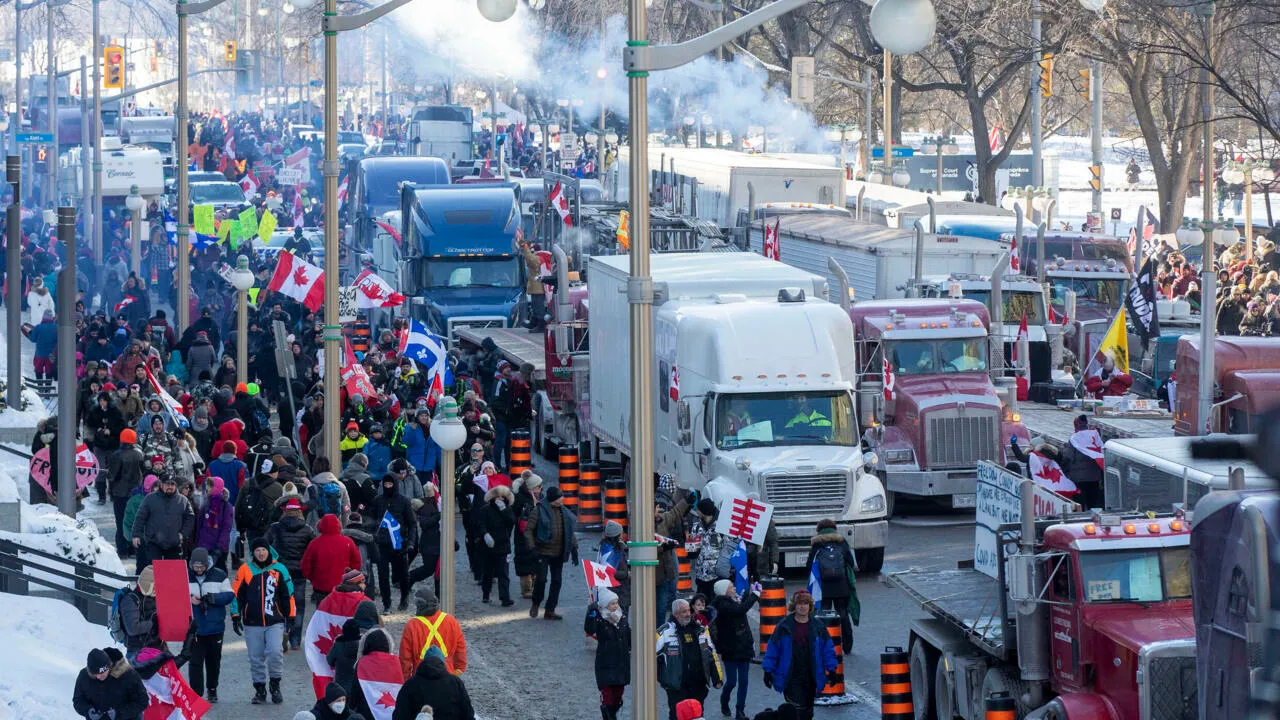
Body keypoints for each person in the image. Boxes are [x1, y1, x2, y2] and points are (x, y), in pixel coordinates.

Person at [232, 538, 297, 704]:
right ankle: (259, 690)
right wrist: (235, 615)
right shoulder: (245, 569)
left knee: (275, 652)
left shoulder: (279, 569)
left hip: (274, 621)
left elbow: (288, 594)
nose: (261, 553)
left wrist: (290, 616)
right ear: (253, 553)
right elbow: (236, 594)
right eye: (257, 550)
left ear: (269, 551)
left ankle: (275, 686)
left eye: (263, 550)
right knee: (255, 657)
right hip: (252, 622)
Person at [761, 591, 838, 720]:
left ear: (810, 606)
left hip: (811, 675)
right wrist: (767, 670)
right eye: (799, 604)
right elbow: (773, 649)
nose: (802, 607)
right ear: (794, 606)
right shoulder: (784, 626)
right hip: (791, 675)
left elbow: (827, 650)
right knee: (797, 711)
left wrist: (832, 669)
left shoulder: (818, 627)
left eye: (805, 603)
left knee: (808, 710)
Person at [657, 598, 724, 720]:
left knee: (697, 715)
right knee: (677, 716)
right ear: (675, 614)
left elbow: (711, 654)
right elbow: (651, 657)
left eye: (688, 610)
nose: (688, 614)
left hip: (698, 684)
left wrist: (717, 678)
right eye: (684, 612)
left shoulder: (701, 629)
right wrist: (661, 679)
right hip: (676, 686)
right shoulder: (664, 632)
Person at [267, 497, 319, 650]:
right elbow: (313, 551)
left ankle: (282, 630)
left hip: (280, 571)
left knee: (280, 603)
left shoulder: (275, 527)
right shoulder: (307, 529)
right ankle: (295, 640)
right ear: (299, 513)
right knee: (298, 606)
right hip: (299, 572)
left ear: (285, 512)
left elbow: (265, 545)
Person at [804, 520, 859, 656]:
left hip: (824, 588)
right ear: (834, 529)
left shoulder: (817, 544)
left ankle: (826, 645)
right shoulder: (842, 542)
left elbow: (809, 565)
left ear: (819, 530)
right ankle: (847, 646)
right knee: (843, 614)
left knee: (823, 615)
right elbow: (851, 563)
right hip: (842, 586)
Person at [524, 485, 579, 620]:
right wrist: (532, 548)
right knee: (541, 580)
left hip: (559, 552)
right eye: (560, 498)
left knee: (557, 581)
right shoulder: (539, 510)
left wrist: (574, 547)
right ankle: (536, 603)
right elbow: (528, 530)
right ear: (553, 499)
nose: (562, 500)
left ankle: (550, 609)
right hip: (542, 552)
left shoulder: (564, 512)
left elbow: (569, 531)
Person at [187, 547, 234, 703]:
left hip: (215, 627)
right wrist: (189, 598)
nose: (198, 570)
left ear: (207, 564)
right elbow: (176, 593)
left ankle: (212, 689)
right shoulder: (185, 576)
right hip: (193, 629)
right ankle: (195, 693)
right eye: (196, 567)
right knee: (195, 663)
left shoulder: (219, 575)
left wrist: (211, 598)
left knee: (213, 661)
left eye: (201, 567)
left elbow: (229, 595)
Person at [369, 473, 419, 613]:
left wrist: (410, 542)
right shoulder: (378, 501)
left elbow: (412, 524)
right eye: (386, 484)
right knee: (383, 576)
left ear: (395, 485)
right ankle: (387, 603)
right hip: (382, 544)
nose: (388, 487)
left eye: (390, 484)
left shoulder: (404, 501)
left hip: (399, 544)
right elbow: (371, 521)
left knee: (403, 575)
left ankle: (404, 598)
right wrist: (373, 535)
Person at [711, 579, 759, 720]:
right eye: (731, 587)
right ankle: (724, 701)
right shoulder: (722, 604)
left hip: (743, 645)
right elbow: (740, 610)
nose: (734, 588)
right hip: (730, 648)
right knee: (732, 681)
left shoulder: (732, 600)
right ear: (724, 590)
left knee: (744, 681)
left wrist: (747, 594)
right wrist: (754, 596)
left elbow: (740, 606)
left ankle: (740, 710)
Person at [399, 585, 467, 679]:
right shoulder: (451, 621)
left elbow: (405, 657)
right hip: (447, 674)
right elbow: (460, 649)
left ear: (419, 605)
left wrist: (406, 679)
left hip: (421, 676)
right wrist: (458, 669)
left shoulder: (412, 625)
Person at [583, 587, 630, 720]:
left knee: (618, 695)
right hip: (606, 661)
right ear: (605, 605)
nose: (615, 606)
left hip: (621, 661)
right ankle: (608, 717)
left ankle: (612, 713)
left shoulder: (622, 616)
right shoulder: (599, 618)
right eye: (612, 603)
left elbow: (628, 634)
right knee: (608, 695)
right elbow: (590, 630)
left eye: (616, 603)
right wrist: (590, 612)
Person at [393, 646, 476, 720]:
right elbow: (468, 714)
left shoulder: (410, 685)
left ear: (424, 662)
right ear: (442, 663)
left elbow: (399, 716)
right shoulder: (456, 683)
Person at [131, 475, 195, 570]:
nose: (170, 487)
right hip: (154, 542)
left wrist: (183, 534)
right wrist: (136, 534)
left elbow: (190, 517)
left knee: (172, 572)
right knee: (153, 571)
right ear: (161, 485)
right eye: (167, 484)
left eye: (172, 484)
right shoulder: (150, 498)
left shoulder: (183, 500)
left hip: (174, 543)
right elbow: (140, 517)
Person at [302, 513, 365, 604]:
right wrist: (350, 578)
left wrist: (314, 579)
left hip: (321, 586)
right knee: (342, 613)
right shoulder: (348, 541)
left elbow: (306, 566)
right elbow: (357, 563)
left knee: (323, 614)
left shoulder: (315, 543)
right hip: (343, 586)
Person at [72, 648, 149, 720]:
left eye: (102, 673)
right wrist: (88, 711)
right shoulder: (84, 676)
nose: (98, 676)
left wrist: (118, 713)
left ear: (109, 666)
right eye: (95, 674)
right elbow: (78, 700)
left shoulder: (127, 675)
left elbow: (142, 701)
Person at [107, 428, 145, 556]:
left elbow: (112, 476)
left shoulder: (117, 455)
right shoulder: (140, 453)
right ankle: (133, 548)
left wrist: (110, 490)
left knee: (121, 521)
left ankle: (122, 550)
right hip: (136, 493)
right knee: (134, 520)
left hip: (120, 493)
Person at [479, 484, 516, 606]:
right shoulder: (485, 509)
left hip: (503, 546)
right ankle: (486, 594)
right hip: (488, 547)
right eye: (498, 497)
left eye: (502, 497)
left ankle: (505, 598)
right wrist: (485, 534)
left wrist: (504, 510)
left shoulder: (508, 510)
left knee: (503, 573)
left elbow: (511, 522)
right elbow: (480, 524)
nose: (500, 499)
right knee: (487, 572)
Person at [1060, 414, 1105, 509]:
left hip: (1078, 479)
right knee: (1093, 503)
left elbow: (1067, 457)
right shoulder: (1095, 436)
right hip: (1094, 478)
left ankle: (1081, 519)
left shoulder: (1074, 439)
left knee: (1079, 504)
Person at [691, 499, 734, 599]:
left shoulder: (722, 527)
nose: (696, 511)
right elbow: (692, 547)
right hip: (700, 575)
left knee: (715, 606)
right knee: (701, 607)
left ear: (704, 511)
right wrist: (691, 551)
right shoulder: (696, 527)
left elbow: (730, 547)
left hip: (716, 575)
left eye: (699, 509)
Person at [511, 471, 542, 599]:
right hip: (523, 535)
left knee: (535, 561)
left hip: (536, 534)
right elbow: (513, 515)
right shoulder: (519, 498)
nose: (541, 489)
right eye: (539, 486)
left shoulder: (539, 497)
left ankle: (534, 587)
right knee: (524, 560)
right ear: (532, 487)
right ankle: (526, 589)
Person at [119, 566, 161, 661]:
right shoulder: (130, 600)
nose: (156, 589)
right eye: (154, 586)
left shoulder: (152, 597)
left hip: (154, 647)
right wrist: (154, 623)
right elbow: (133, 628)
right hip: (137, 651)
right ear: (147, 584)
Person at [194, 475, 234, 571]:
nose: (207, 488)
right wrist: (197, 541)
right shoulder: (206, 503)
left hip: (217, 547)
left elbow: (226, 528)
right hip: (204, 545)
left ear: (215, 487)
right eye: (207, 485)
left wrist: (219, 546)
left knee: (219, 573)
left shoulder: (226, 506)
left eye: (209, 486)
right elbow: (200, 523)